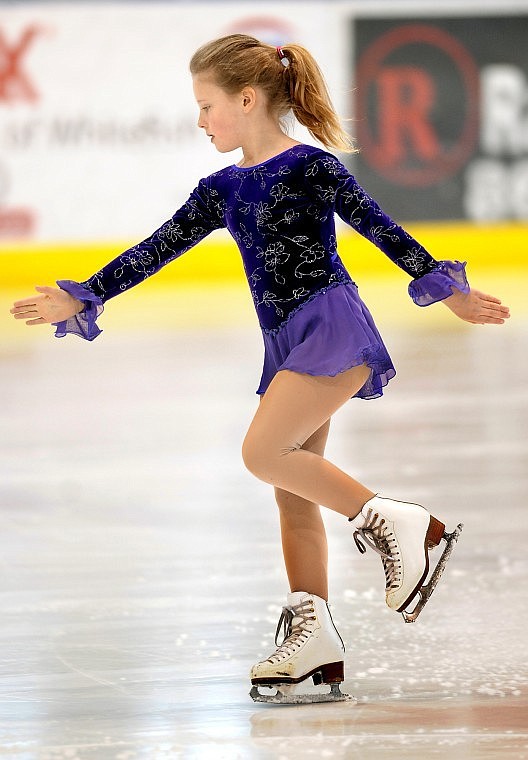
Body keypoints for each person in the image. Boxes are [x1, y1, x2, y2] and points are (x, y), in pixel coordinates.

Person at [10, 34, 509, 704]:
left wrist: (449, 291)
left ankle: (401, 523)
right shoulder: (220, 189)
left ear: (246, 100)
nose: (200, 120)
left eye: (207, 105)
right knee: (290, 491)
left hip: (331, 325)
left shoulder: (313, 167)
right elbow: (157, 248)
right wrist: (85, 292)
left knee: (262, 452)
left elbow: (382, 227)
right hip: (286, 342)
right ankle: (315, 636)